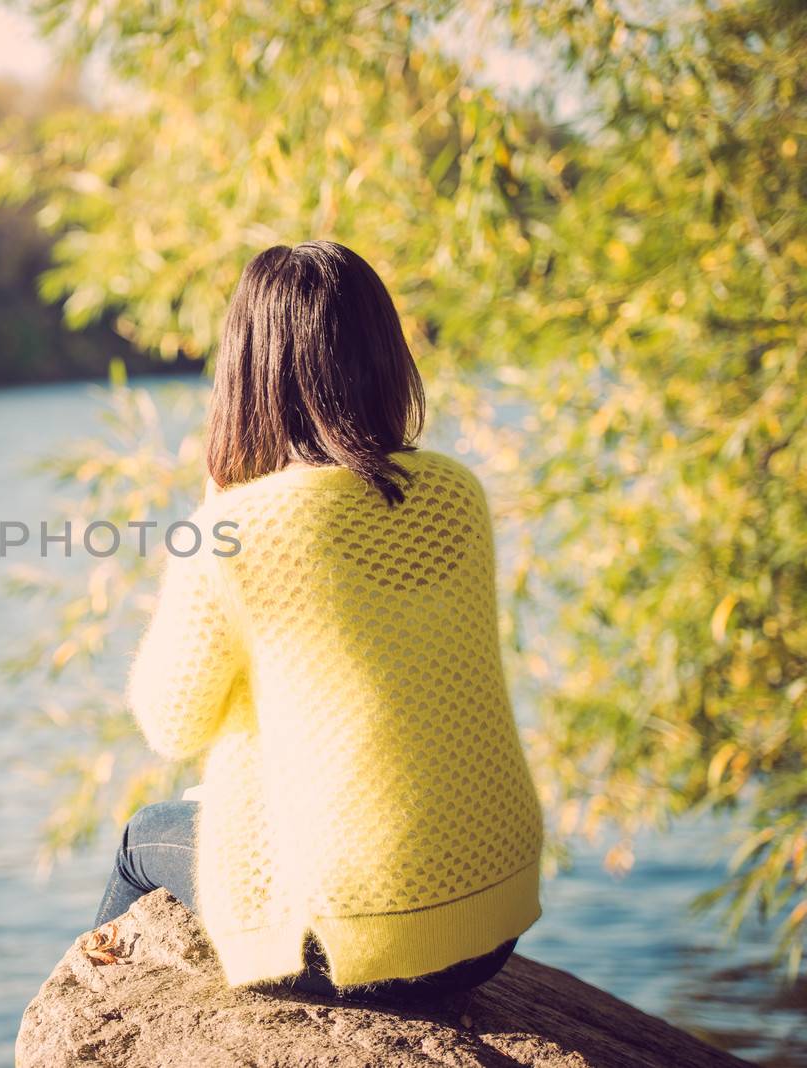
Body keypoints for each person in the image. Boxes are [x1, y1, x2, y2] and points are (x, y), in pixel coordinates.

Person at [93, 240, 545, 1005]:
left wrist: (210, 516)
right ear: (383, 356)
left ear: (248, 372)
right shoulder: (452, 493)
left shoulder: (237, 531)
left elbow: (172, 723)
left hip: (353, 949)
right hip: (491, 923)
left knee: (143, 838)